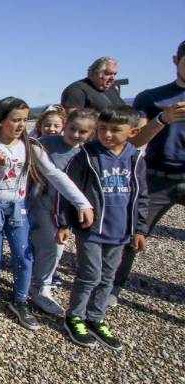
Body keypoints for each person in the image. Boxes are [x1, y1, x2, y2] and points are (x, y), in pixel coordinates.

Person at [0, 97, 93, 330]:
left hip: (19, 209)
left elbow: (55, 175)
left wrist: (82, 202)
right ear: (1, 121)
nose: (21, 125)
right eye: (15, 120)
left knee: (24, 256)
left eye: (25, 119)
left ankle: (20, 301)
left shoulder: (32, 146)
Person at [58, 105, 148, 350]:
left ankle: (96, 318)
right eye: (102, 129)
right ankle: (75, 316)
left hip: (120, 230)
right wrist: (64, 222)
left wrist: (140, 229)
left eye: (115, 130)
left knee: (109, 276)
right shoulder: (87, 155)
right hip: (91, 229)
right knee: (89, 275)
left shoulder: (135, 157)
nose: (107, 135)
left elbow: (141, 195)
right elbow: (69, 191)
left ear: (132, 132)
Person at [109, 40, 185, 306]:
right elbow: (134, 141)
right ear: (176, 61)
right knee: (131, 233)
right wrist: (163, 120)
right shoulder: (152, 97)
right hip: (156, 176)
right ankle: (112, 287)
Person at [28, 109, 98, 316]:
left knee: (54, 248)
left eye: (82, 132)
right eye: (72, 129)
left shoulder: (87, 152)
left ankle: (41, 283)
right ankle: (40, 289)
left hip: (67, 211)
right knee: (50, 248)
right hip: (43, 204)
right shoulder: (44, 144)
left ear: (91, 133)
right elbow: (52, 174)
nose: (75, 135)